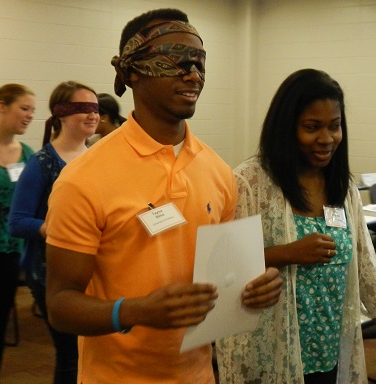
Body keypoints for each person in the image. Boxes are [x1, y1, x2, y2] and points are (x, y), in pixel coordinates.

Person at [44, 8, 282, 383]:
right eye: (174, 61)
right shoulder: (82, 180)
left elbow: (222, 277)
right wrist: (134, 311)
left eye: (199, 63)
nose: (193, 75)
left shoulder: (219, 172)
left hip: (199, 375)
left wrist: (253, 286)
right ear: (133, 71)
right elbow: (59, 304)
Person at [215, 68, 376, 384]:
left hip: (330, 351)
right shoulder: (250, 183)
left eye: (335, 127)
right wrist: (287, 253)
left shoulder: (342, 188)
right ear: (286, 128)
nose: (326, 139)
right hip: (273, 357)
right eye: (312, 128)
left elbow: (366, 268)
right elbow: (223, 268)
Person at [8, 80, 100, 383]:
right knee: (71, 356)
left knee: (92, 353)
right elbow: (18, 221)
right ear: (61, 113)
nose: (92, 115)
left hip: (94, 271)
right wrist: (55, 228)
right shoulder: (42, 162)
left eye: (95, 108)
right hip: (52, 273)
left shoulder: (99, 159)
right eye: (82, 108)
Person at [0, 83, 36, 383]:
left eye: (32, 111)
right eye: (24, 108)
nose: (29, 116)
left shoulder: (27, 155)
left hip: (9, 255)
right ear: (2, 106)